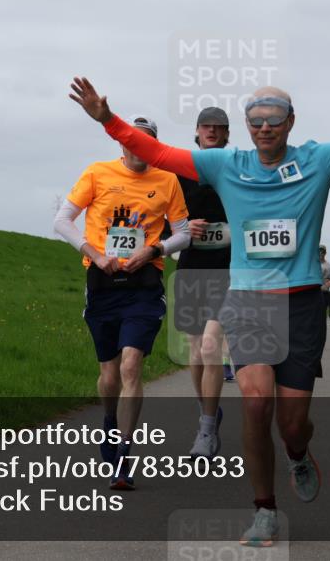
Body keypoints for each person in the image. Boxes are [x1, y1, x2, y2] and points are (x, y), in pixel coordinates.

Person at [68, 68, 330, 544]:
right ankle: (264, 509)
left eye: (274, 118)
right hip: (248, 302)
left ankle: (296, 452)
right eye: (255, 119)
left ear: (291, 122)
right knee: (254, 403)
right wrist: (108, 120)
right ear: (247, 125)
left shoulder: (321, 159)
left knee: (292, 424)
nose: (264, 126)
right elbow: (159, 153)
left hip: (303, 302)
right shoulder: (227, 164)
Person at [52, 116, 191, 490]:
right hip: (102, 282)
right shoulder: (98, 173)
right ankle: (110, 421)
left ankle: (124, 456)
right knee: (110, 374)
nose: (138, 148)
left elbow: (183, 234)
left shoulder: (168, 180)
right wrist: (95, 255)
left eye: (146, 143)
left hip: (144, 285)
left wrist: (154, 248)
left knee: (131, 367)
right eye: (132, 141)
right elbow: (63, 220)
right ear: (121, 144)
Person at [175, 106, 232, 458]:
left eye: (219, 127)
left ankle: (207, 431)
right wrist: (181, 230)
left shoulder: (236, 170)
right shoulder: (180, 171)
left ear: (227, 135)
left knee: (211, 347)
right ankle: (206, 412)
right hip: (191, 267)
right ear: (196, 132)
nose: (212, 131)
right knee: (195, 350)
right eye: (206, 126)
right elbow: (166, 220)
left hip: (227, 269)